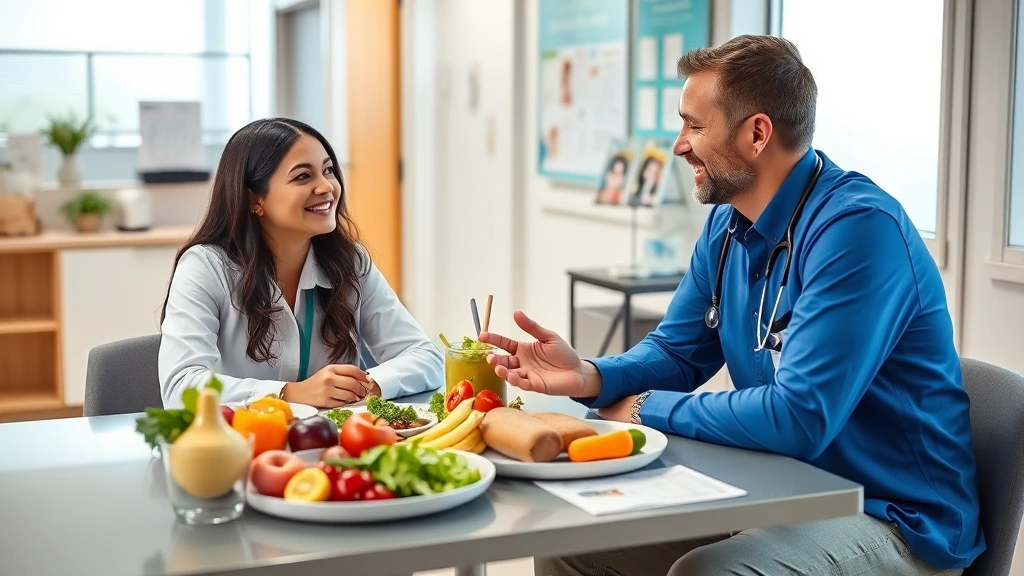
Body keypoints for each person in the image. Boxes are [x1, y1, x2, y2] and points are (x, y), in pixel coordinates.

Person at [480, 35, 984, 576]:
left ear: (757, 134)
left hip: (895, 519)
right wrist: (590, 376)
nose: (678, 145)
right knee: (573, 540)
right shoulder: (727, 225)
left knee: (708, 572)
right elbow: (677, 351)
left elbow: (798, 417)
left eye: (695, 126)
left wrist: (645, 408)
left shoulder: (858, 231)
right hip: (782, 489)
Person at [159, 118, 442, 409]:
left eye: (328, 170)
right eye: (303, 177)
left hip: (335, 446)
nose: (326, 187)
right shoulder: (205, 268)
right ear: (254, 199)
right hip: (240, 445)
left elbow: (426, 356)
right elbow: (182, 387)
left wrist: (368, 385)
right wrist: (289, 393)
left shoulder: (350, 262)